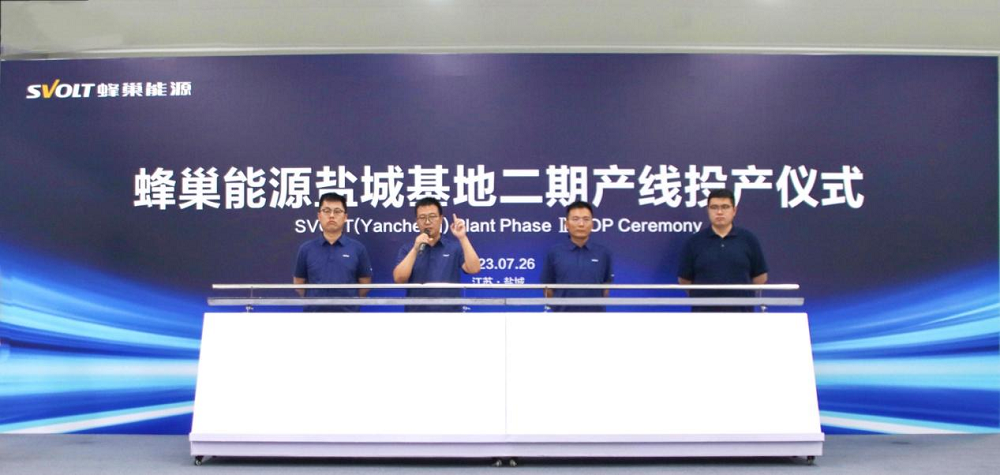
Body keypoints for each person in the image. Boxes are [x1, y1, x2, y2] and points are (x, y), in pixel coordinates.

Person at [677, 188, 768, 312]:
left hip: (741, 314)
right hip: (704, 314)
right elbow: (684, 280)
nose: (719, 212)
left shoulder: (748, 239)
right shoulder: (694, 242)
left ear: (734, 210)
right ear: (708, 210)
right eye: (714, 207)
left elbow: (760, 277)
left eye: (725, 207)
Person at [393, 197, 481, 312]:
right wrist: (415, 249)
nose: (427, 222)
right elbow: (399, 279)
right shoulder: (408, 248)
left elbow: (474, 269)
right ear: (417, 222)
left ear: (441, 219)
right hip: (416, 315)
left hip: (450, 314)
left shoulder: (453, 247)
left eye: (432, 216)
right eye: (422, 217)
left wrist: (462, 237)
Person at [293, 192, 373, 312]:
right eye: (326, 211)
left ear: (345, 217)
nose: (331, 216)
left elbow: (365, 285)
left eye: (337, 211)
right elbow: (299, 284)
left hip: (348, 315)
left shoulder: (357, 248)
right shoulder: (306, 249)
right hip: (314, 315)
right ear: (319, 216)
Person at [539, 201, 614, 312]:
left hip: (595, 316)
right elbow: (548, 288)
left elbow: (605, 288)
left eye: (586, 219)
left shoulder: (603, 253)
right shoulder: (554, 252)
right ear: (566, 224)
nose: (581, 224)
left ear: (592, 224)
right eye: (575, 219)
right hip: (562, 316)